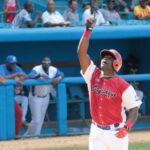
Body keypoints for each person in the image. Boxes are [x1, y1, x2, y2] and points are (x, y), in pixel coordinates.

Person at [77, 19, 142, 150]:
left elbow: (134, 109)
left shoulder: (123, 85)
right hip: (96, 131)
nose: (104, 59)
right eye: (104, 57)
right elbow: (81, 53)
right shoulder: (92, 75)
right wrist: (88, 30)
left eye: (109, 58)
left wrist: (127, 126)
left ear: (116, 64)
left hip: (116, 132)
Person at [25, 57, 64, 136]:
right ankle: (27, 135)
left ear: (50, 64)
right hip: (35, 97)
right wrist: (40, 75)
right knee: (36, 120)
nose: (46, 65)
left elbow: (62, 74)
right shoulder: (37, 68)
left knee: (41, 120)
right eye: (44, 63)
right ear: (42, 63)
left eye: (48, 63)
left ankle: (36, 137)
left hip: (46, 96)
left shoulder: (53, 69)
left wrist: (58, 78)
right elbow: (29, 76)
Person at [0, 55, 27, 135]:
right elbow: (2, 78)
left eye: (15, 63)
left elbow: (24, 75)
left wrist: (22, 77)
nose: (14, 65)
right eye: (12, 64)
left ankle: (15, 134)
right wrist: (16, 75)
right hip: (1, 95)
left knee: (19, 113)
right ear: (7, 63)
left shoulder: (16, 68)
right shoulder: (2, 67)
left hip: (9, 96)